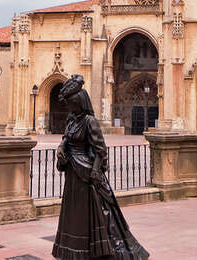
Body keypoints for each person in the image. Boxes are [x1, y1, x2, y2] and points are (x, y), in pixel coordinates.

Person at [52, 75, 149, 260]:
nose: (68, 107)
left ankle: (97, 250)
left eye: (71, 103)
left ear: (78, 102)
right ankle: (74, 250)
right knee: (75, 214)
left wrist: (96, 172)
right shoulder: (72, 120)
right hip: (73, 174)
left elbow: (100, 150)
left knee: (96, 213)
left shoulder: (89, 121)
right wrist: (61, 149)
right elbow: (66, 139)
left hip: (87, 174)